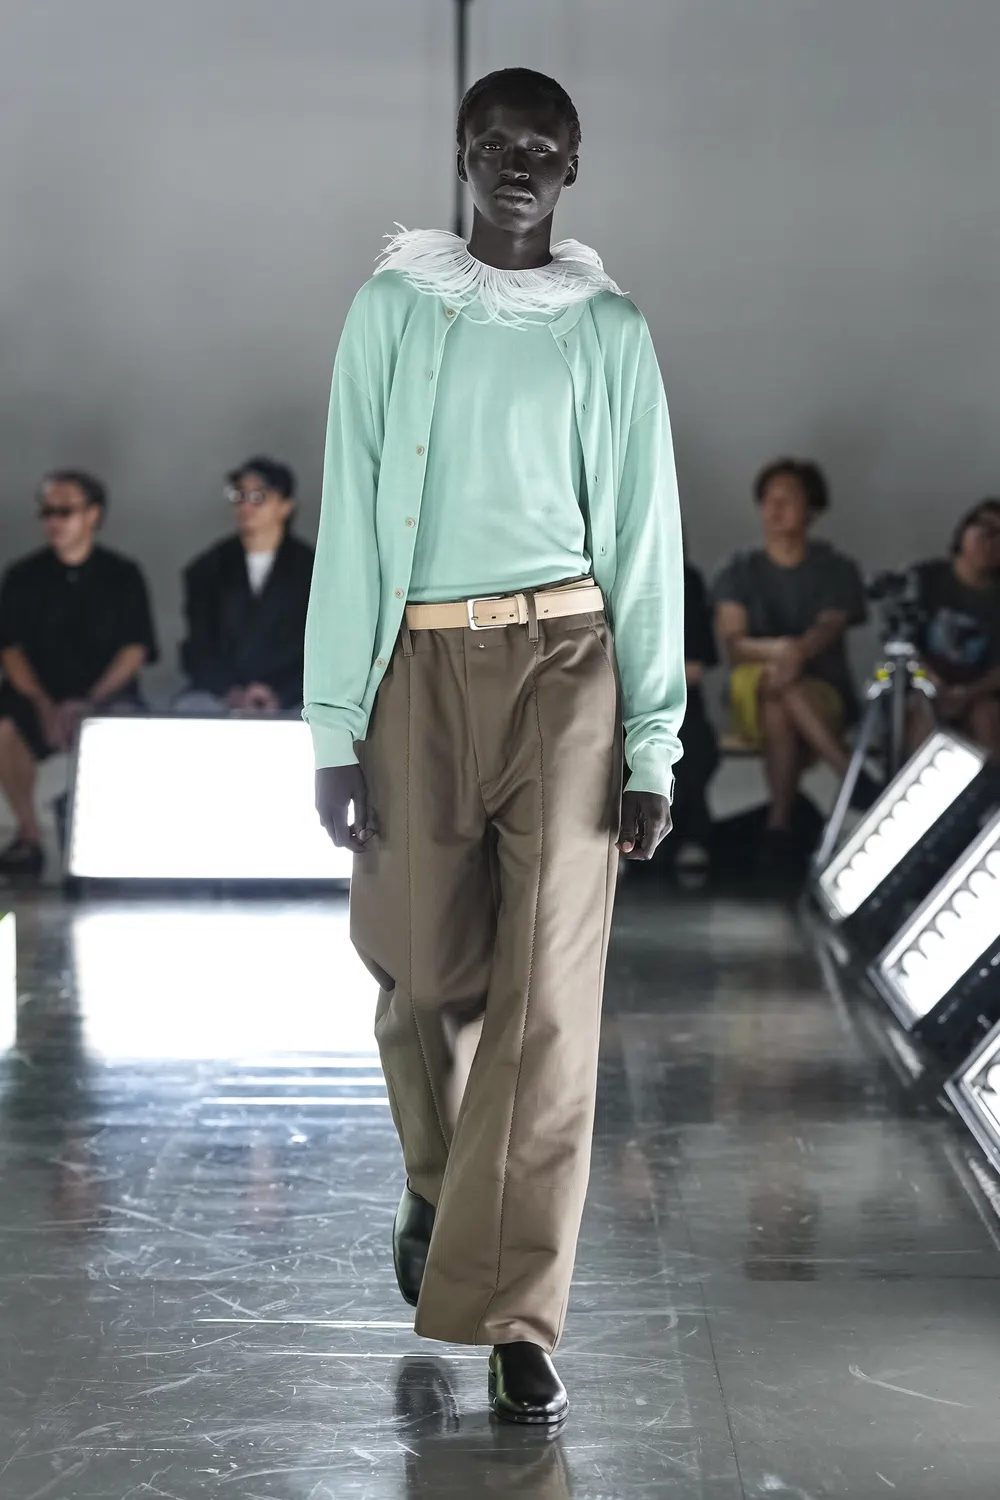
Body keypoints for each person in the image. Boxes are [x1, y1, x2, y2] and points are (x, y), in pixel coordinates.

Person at [304, 68, 685, 1424]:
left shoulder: (609, 330)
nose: (518, 165)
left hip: (567, 669)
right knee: (417, 973)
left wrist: (653, 746)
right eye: (495, 143)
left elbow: (644, 534)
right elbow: (352, 512)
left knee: (547, 1003)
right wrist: (333, 723)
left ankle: (519, 1313)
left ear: (574, 167)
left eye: (543, 147)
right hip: (415, 668)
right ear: (461, 156)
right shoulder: (394, 309)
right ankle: (439, 1184)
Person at [714, 458, 872, 869]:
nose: (776, 508)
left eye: (789, 498)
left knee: (779, 695)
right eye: (768, 499)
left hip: (823, 696)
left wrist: (792, 658)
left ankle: (779, 827)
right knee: (773, 684)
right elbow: (735, 644)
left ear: (812, 509)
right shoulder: (739, 571)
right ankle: (849, 772)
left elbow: (830, 627)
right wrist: (782, 652)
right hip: (752, 690)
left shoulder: (834, 568)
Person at [0, 470, 157, 878]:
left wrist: (88, 702)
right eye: (47, 512)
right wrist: (43, 704)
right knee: (4, 726)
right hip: (38, 698)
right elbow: (11, 651)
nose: (54, 521)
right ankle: (28, 835)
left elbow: (135, 648)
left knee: (132, 727)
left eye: (65, 511)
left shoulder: (123, 575)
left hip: (106, 695)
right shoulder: (22, 577)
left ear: (93, 515)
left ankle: (114, 838)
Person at [176, 456, 314, 714]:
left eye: (259, 496)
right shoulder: (207, 568)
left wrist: (280, 693)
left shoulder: (314, 570)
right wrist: (231, 692)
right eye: (239, 495)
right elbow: (198, 647)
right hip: (221, 695)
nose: (246, 505)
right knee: (190, 709)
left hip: (295, 695)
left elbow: (323, 648)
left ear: (285, 506)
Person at [908, 498, 1000, 757]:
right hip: (923, 683)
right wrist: (933, 684)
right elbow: (904, 646)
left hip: (980, 691)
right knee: (922, 711)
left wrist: (966, 694)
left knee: (987, 716)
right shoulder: (925, 579)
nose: (990, 541)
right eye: (984, 530)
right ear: (963, 532)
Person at [669, 562, 719, 869]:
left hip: (674, 703)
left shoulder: (683, 579)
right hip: (612, 700)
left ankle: (689, 834)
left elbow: (694, 668)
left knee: (688, 739)